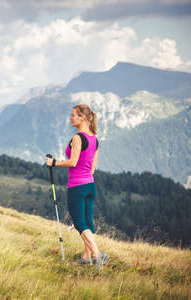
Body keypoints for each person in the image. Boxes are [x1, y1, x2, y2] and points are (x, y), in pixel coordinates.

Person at [46, 104, 109, 268]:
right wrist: (86, 176)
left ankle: (97, 255)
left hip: (77, 186)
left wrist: (54, 163)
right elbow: (93, 167)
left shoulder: (78, 138)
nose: (70, 117)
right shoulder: (94, 139)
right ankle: (86, 257)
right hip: (90, 185)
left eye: (73, 115)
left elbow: (72, 162)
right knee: (88, 221)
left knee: (79, 222)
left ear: (82, 118)